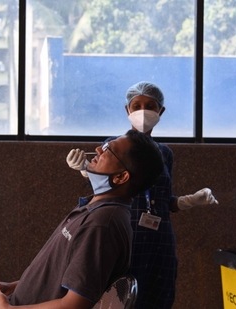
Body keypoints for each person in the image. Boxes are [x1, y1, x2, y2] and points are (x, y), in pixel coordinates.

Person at [0, 130, 164, 309]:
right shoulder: (93, 209)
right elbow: (59, 276)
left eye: (108, 151)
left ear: (121, 177)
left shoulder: (102, 223)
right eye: (103, 146)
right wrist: (12, 286)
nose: (98, 150)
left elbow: (74, 304)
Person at [66, 81, 218, 309]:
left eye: (150, 105)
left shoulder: (164, 153)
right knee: (118, 298)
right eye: (136, 105)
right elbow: (103, 185)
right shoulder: (113, 146)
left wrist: (190, 201)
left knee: (158, 294)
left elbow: (165, 200)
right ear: (127, 110)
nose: (142, 111)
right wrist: (85, 169)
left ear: (161, 111)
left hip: (159, 239)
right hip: (125, 232)